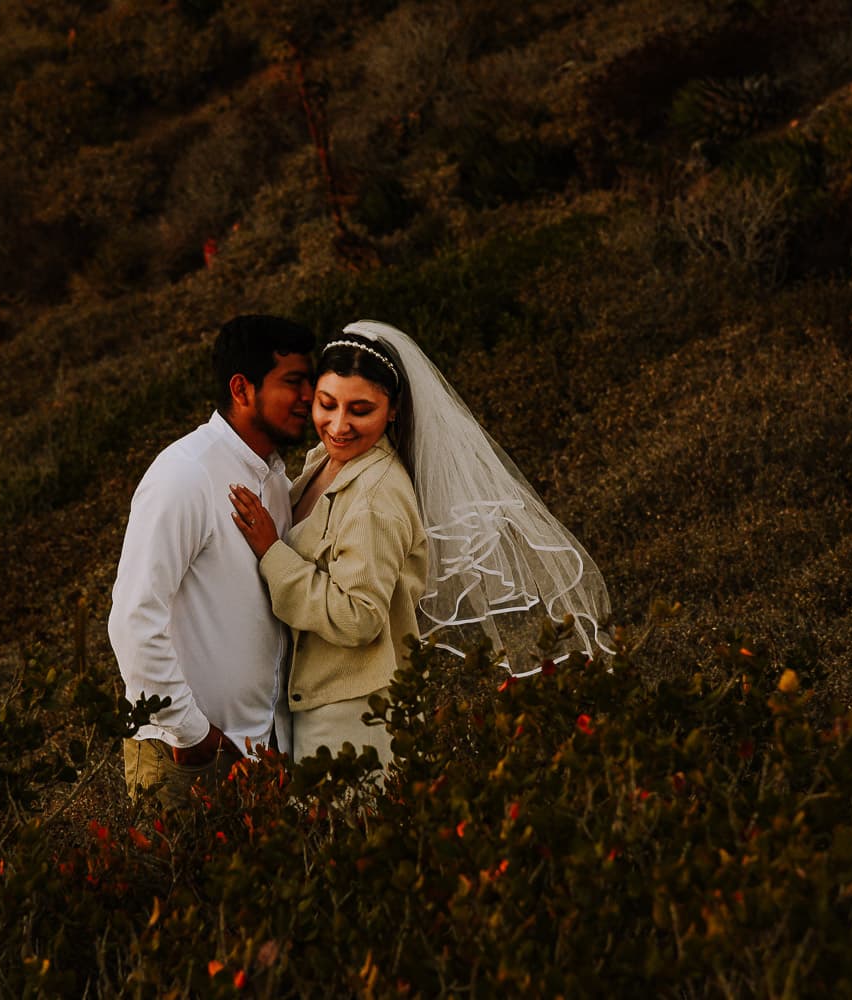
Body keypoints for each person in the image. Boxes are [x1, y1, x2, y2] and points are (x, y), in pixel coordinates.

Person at [229, 320, 612, 769]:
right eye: (326, 404)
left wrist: (273, 553)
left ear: (392, 410)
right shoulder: (325, 462)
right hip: (318, 698)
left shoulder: (376, 496)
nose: (338, 425)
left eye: (360, 410)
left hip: (351, 713)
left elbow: (359, 618)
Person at [108, 314, 315, 808]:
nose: (308, 396)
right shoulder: (185, 475)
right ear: (242, 389)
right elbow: (133, 617)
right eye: (293, 382)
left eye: (310, 380)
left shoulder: (277, 482)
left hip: (262, 756)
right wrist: (191, 732)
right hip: (188, 757)